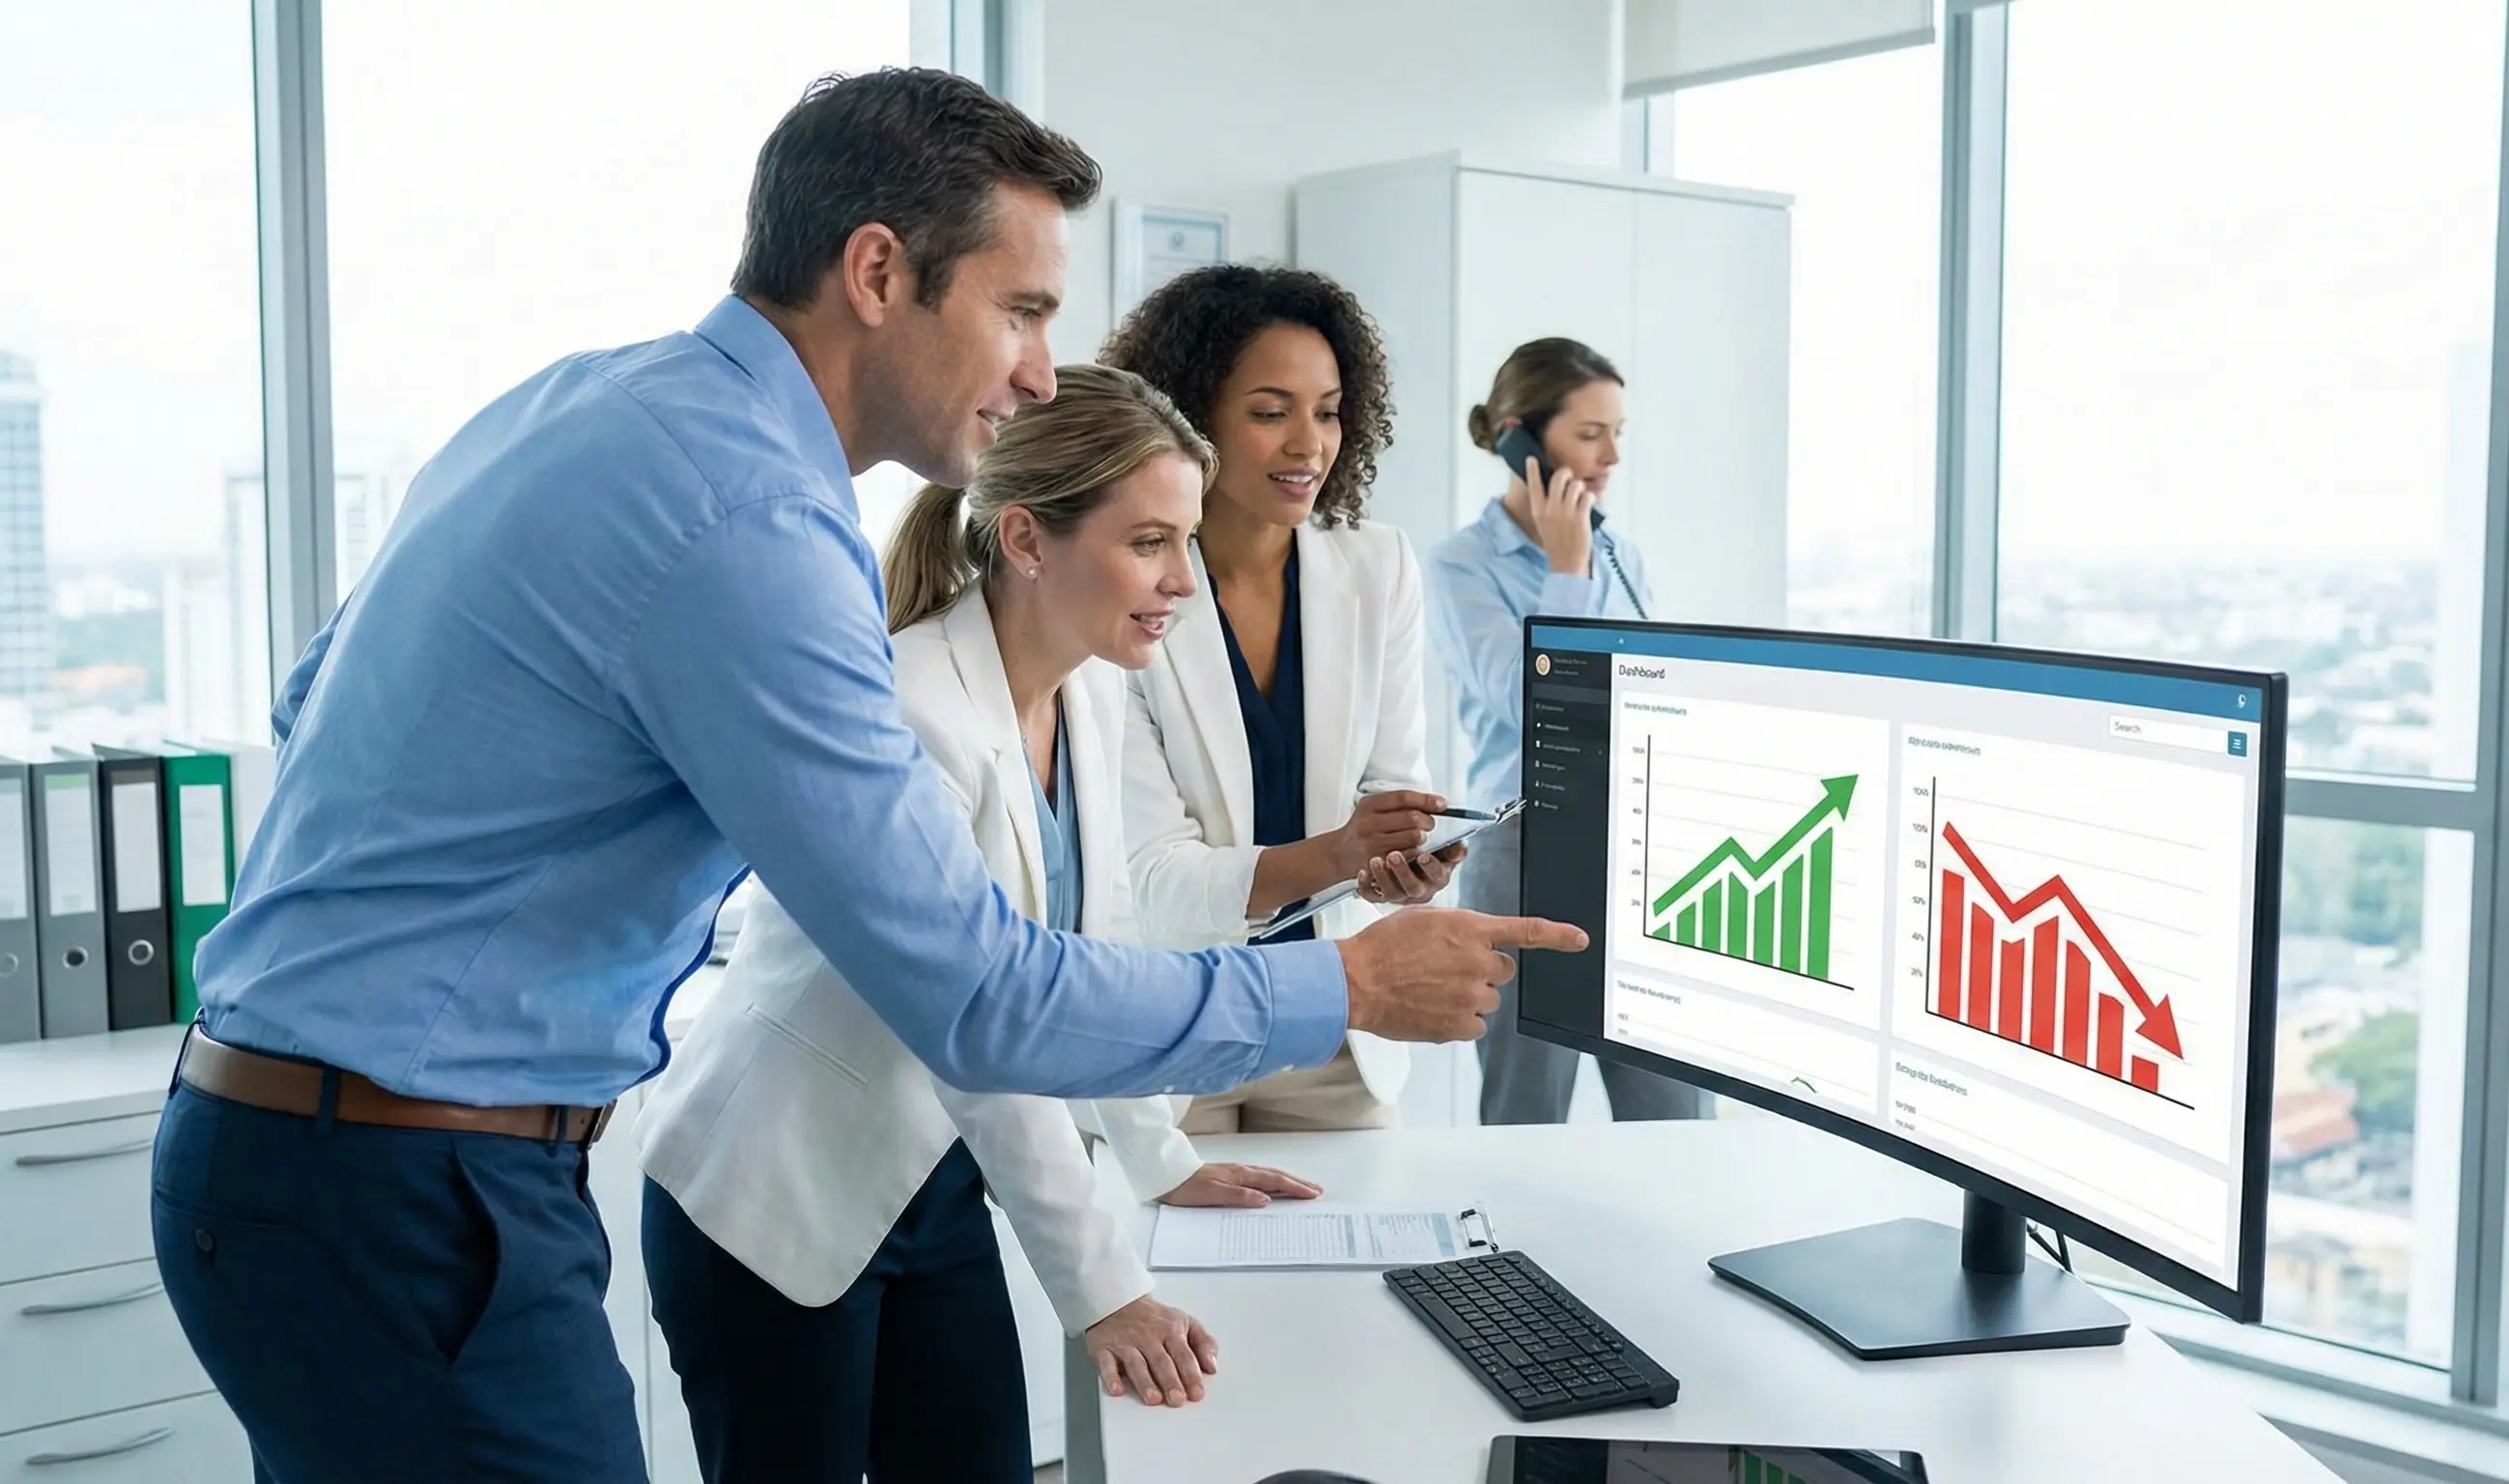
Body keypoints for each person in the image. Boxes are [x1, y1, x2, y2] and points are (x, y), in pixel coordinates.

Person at [147, 68, 1581, 1484]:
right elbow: (980, 996)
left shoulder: (586, 404)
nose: (1038, 368)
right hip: (400, 1180)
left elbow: (314, 695)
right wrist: (1346, 985)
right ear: (879, 272)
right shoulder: (756, 523)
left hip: (343, 1153)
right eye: (1019, 311)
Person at [636, 365, 1316, 1481]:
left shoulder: (1088, 691)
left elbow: (1089, 974)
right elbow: (982, 1027)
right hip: (769, 1197)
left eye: (1187, 541)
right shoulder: (909, 710)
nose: (1182, 580)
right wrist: (1108, 1295)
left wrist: (1160, 1159)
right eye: (1149, 541)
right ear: (1027, 540)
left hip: (930, 1184)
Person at [1093, 264, 1450, 1147]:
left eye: (1327, 411)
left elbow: (1396, 783)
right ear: (1190, 416)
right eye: (1269, 411)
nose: (1309, 444)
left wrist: (1406, 864)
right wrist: (1337, 851)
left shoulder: (1379, 567)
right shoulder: (1118, 581)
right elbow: (1152, 882)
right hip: (1172, 1029)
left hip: (1335, 1027)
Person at [1428, 337, 1708, 1127]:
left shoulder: (1621, 555)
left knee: (1671, 1106)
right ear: (1524, 436)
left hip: (1636, 849)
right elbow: (1529, 703)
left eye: (1617, 431)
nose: (1611, 455)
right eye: (1589, 434)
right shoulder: (1460, 567)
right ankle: (1515, 1254)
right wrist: (1566, 570)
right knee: (1527, 1106)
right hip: (1524, 853)